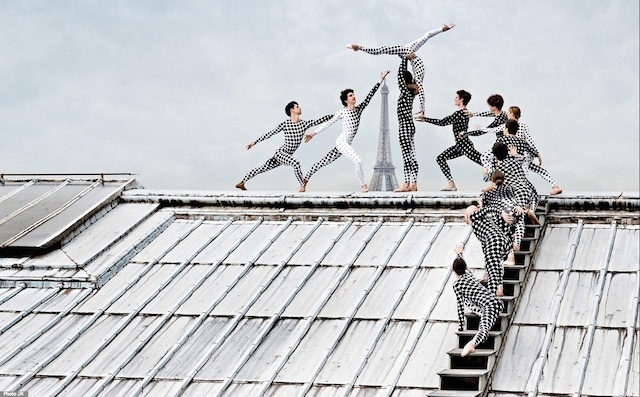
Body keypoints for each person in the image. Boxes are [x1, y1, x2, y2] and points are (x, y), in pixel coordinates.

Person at [302, 70, 390, 193]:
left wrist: (380, 80)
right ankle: (364, 185)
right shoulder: (341, 112)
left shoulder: (359, 110)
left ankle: (305, 180)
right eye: (350, 95)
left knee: (323, 161)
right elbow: (328, 123)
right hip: (341, 142)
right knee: (358, 160)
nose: (353, 96)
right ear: (345, 100)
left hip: (346, 144)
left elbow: (370, 95)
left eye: (353, 94)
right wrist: (313, 133)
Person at [347, 23, 455, 117]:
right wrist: (422, 109)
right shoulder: (418, 81)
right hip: (408, 52)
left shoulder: (416, 79)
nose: (418, 92)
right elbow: (421, 92)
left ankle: (360, 48)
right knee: (383, 50)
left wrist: (442, 29)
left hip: (407, 54)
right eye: (417, 93)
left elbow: (426, 37)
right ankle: (360, 47)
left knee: (382, 50)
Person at [235, 102, 332, 190]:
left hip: (286, 156)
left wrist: (336, 115)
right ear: (292, 110)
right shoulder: (285, 124)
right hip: (281, 153)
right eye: (297, 107)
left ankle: (242, 182)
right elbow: (270, 133)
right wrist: (255, 142)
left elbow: (319, 120)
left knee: (262, 168)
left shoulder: (304, 124)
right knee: (296, 163)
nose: (300, 108)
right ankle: (302, 185)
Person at [473, 106, 563, 195]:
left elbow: (492, 130)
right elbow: (529, 140)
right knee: (534, 169)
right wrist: (536, 153)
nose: (507, 115)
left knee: (519, 170)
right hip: (523, 151)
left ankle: (523, 190)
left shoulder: (507, 125)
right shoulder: (522, 126)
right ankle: (554, 186)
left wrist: (481, 128)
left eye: (508, 113)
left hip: (514, 153)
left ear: (512, 114)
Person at [415, 90, 481, 191]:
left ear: (461, 99)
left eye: (456, 97)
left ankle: (501, 178)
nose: (454, 99)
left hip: (464, 145)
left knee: (484, 162)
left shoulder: (460, 113)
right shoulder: (464, 112)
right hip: (460, 146)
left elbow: (442, 122)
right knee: (440, 158)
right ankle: (451, 184)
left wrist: (425, 119)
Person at [452, 242, 504, 357]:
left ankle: (471, 344)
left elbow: (460, 306)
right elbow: (463, 265)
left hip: (490, 306)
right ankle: (478, 311)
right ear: (465, 268)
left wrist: (461, 326)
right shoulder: (469, 276)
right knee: (470, 299)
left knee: (483, 329)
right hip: (497, 303)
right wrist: (460, 254)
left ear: (453, 270)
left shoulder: (457, 285)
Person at [464, 204, 511, 297]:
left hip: (494, 239)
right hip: (503, 240)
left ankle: (495, 292)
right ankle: (499, 286)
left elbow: (488, 209)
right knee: (494, 264)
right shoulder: (484, 223)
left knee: (493, 267)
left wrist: (501, 212)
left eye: (465, 215)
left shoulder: (473, 217)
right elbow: (485, 250)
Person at [480, 170, 525, 266]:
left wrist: (487, 189)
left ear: (492, 180)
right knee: (519, 221)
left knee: (504, 232)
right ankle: (517, 241)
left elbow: (483, 206)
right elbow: (515, 199)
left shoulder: (489, 193)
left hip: (504, 212)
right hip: (515, 209)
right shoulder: (510, 188)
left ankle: (510, 257)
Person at [491, 141, 540, 225]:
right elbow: (523, 159)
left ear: (495, 156)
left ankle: (524, 214)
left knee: (517, 210)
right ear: (507, 152)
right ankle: (531, 210)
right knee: (534, 196)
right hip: (525, 189)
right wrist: (515, 154)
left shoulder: (498, 170)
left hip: (513, 193)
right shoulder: (516, 161)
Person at [394, 54, 420, 192]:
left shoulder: (404, 92)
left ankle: (406, 183)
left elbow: (400, 74)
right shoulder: (409, 93)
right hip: (410, 125)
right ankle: (413, 183)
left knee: (406, 155)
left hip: (404, 126)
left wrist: (405, 59)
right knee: (412, 154)